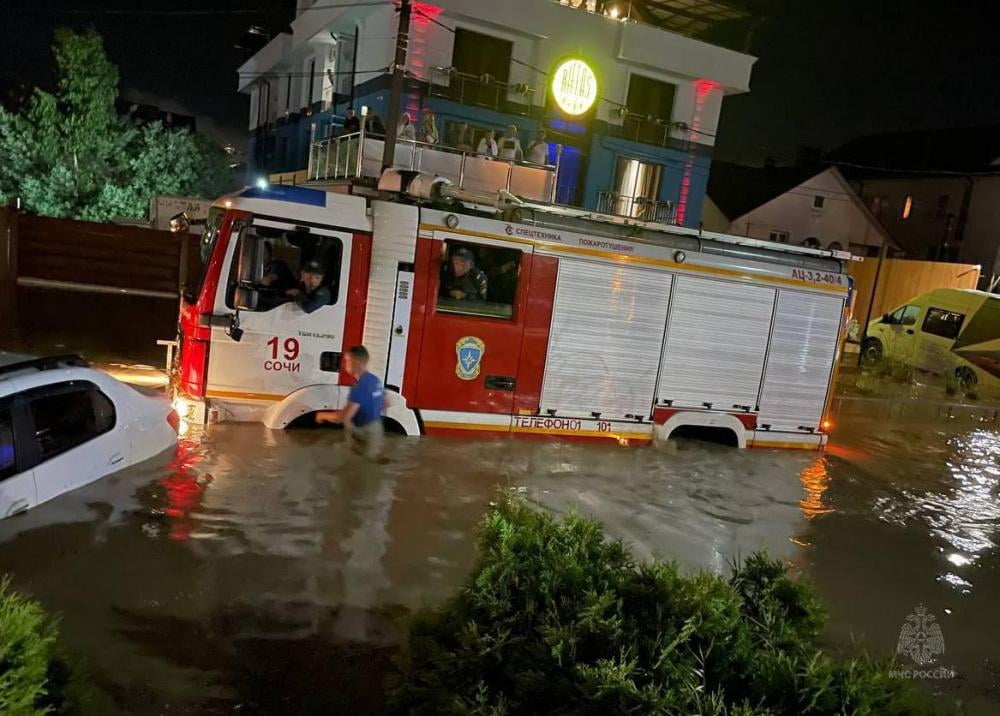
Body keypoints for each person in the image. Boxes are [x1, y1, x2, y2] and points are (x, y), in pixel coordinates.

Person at [315, 345, 385, 461]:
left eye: (348, 360)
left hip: (363, 432)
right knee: (370, 461)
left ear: (356, 362)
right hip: (375, 429)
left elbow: (343, 417)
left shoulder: (360, 385)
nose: (345, 364)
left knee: (360, 466)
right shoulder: (375, 380)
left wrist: (321, 415)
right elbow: (386, 402)